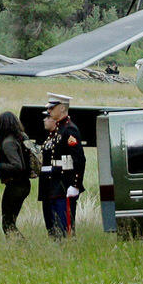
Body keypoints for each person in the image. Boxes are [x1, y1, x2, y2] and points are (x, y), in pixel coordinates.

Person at [38, 93, 85, 237]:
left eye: (53, 108)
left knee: (64, 226)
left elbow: (79, 159)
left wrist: (75, 184)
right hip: (53, 183)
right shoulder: (58, 129)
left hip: (64, 183)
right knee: (53, 225)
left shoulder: (69, 129)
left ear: (63, 108)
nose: (50, 111)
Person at [0, 111, 32, 236]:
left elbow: (17, 166)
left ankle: (21, 247)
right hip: (24, 184)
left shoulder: (8, 142)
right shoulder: (22, 137)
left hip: (15, 185)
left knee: (7, 224)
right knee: (10, 222)